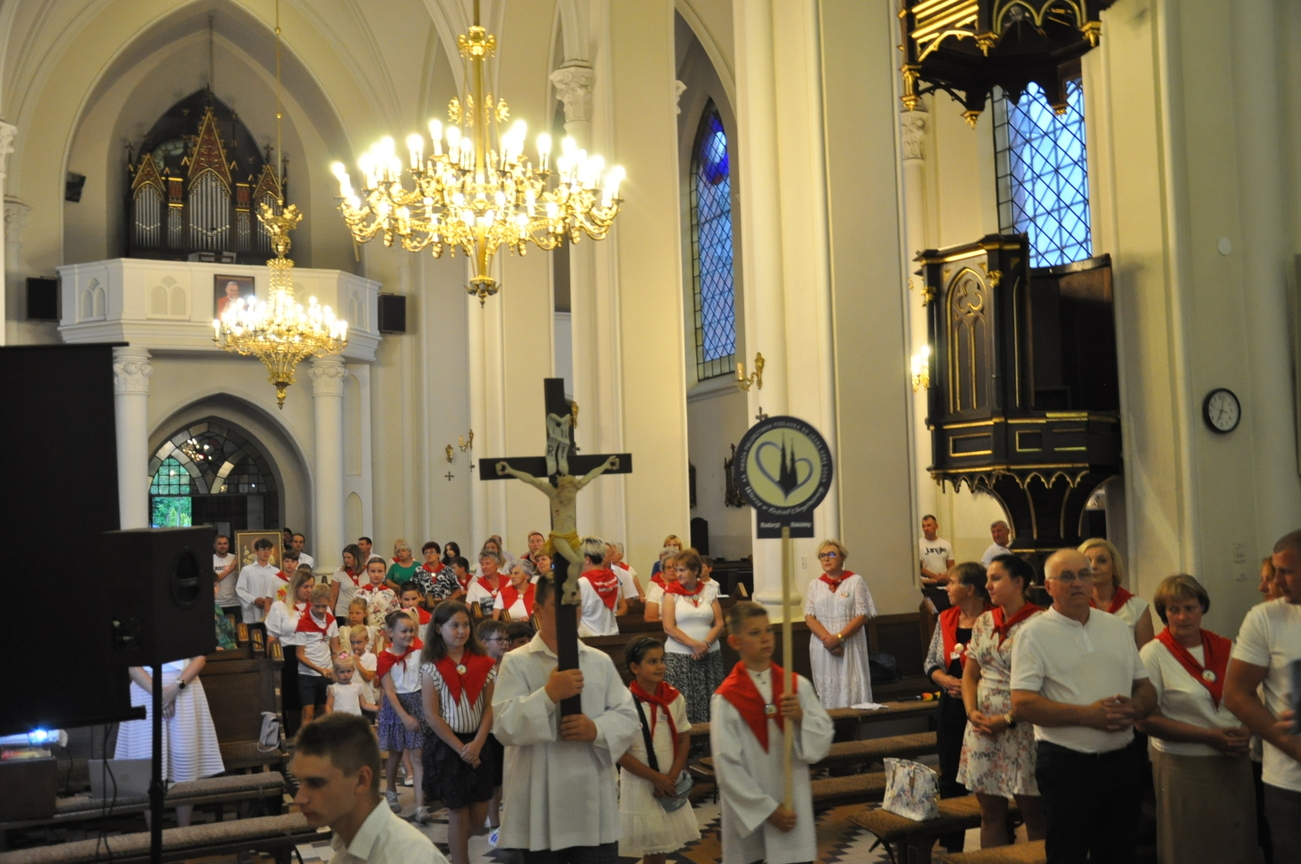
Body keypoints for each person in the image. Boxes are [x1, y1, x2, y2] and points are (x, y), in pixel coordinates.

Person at [1010, 548, 1157, 864]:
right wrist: (1087, 715)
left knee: (1120, 853)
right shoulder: (1033, 634)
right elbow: (1022, 704)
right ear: (1049, 586)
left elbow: (1145, 688)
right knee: (1068, 854)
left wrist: (1135, 708)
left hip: (1123, 760)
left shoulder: (1115, 626)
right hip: (1068, 764)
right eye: (1067, 576)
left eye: (1083, 575)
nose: (1077, 583)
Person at [491, 573, 641, 863]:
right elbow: (504, 727)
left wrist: (596, 729)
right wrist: (549, 694)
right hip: (540, 800)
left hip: (591, 798)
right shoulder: (517, 662)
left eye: (576, 604)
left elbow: (628, 715)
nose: (571, 613)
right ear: (537, 610)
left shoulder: (598, 660)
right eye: (560, 605)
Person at [1138, 574, 1256, 864]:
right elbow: (1145, 720)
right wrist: (1210, 737)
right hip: (1182, 765)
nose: (1183, 617)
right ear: (1164, 613)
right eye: (1174, 609)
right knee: (1189, 847)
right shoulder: (1153, 653)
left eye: (1190, 608)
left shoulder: (1226, 647)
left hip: (1233, 760)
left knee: (1235, 844)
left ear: (1202, 608)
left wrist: (1247, 730)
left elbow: (1250, 697)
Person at [711, 601, 833, 864]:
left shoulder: (796, 686)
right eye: (754, 633)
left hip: (792, 803)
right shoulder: (726, 699)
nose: (765, 638)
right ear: (735, 641)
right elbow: (725, 764)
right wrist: (767, 811)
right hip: (750, 815)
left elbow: (822, 740)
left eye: (769, 630)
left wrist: (800, 718)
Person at [957, 554, 1045, 849]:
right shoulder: (984, 621)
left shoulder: (1041, 622)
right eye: (988, 579)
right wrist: (971, 711)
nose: (988, 586)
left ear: (1018, 582)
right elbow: (970, 674)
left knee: (1034, 814)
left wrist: (1007, 719)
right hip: (983, 728)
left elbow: (1047, 684)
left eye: (996, 579)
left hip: (1024, 726)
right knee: (990, 813)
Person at [1225, 529, 1301, 862]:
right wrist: (1292, 746)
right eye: (1276, 571)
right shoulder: (1266, 618)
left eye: (1287, 571)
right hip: (1290, 783)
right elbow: (1236, 694)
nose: (1277, 581)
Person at [291, 713, 448, 864]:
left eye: (315, 782)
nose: (299, 798)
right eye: (300, 782)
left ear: (361, 780)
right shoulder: (345, 850)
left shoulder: (411, 858)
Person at [924, 562, 992, 853]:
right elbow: (931, 663)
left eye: (951, 583)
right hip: (951, 708)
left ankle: (999, 839)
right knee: (950, 776)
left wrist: (969, 685)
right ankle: (953, 846)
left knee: (987, 776)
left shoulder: (993, 618)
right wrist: (944, 680)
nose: (947, 588)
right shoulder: (945, 618)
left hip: (984, 706)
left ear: (970, 588)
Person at [419, 600, 497, 850]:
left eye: (466, 625)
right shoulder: (432, 668)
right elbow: (432, 716)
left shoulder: (484, 664)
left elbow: (489, 707)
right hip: (449, 746)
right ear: (439, 629)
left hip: (478, 741)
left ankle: (455, 848)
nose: (461, 631)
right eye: (454, 625)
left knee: (479, 812)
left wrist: (477, 744)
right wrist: (461, 749)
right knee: (458, 811)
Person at [618, 636, 700, 864]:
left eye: (662, 660)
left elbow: (683, 739)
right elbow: (620, 752)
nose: (660, 666)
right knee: (653, 847)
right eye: (652, 661)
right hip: (641, 781)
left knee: (660, 848)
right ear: (635, 667)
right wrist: (657, 778)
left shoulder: (674, 698)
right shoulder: (623, 703)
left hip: (668, 779)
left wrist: (671, 777)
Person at [116, 656, 225, 826]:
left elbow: (200, 658)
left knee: (185, 763)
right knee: (147, 765)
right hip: (144, 689)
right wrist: (160, 694)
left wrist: (174, 689)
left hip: (185, 687)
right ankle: (153, 833)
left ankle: (183, 833)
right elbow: (131, 663)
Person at [803, 539, 877, 709]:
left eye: (831, 554)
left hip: (849, 645)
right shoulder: (815, 585)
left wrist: (838, 638)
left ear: (842, 558)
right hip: (823, 648)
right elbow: (809, 617)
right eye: (822, 555)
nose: (826, 558)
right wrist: (829, 641)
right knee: (829, 695)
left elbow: (862, 614)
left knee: (853, 691)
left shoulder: (855, 581)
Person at [660, 550, 724, 724]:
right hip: (680, 657)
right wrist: (694, 645)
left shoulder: (709, 590)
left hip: (709, 654)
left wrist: (705, 644)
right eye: (676, 570)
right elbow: (668, 627)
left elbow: (719, 623)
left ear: (695, 571)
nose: (678, 574)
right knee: (684, 703)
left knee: (711, 702)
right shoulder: (671, 593)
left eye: (682, 570)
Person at [376, 610, 425, 815]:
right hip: (395, 707)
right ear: (390, 632)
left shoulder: (419, 653)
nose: (408, 635)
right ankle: (390, 791)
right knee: (395, 754)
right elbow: (389, 691)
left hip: (416, 702)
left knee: (417, 756)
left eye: (411, 631)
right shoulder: (385, 657)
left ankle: (420, 804)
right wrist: (404, 717)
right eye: (404, 631)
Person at [1079, 537, 1155, 647]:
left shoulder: (1137, 607)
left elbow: (1144, 654)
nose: (1093, 566)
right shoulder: (1073, 606)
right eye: (1088, 561)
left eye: (1102, 561)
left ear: (1114, 567)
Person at [265, 569, 315, 734]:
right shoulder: (280, 607)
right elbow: (272, 638)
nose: (309, 590)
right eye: (305, 587)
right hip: (288, 655)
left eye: (311, 587)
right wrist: (271, 662)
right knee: (291, 694)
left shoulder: (316, 607)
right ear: (295, 586)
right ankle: (291, 731)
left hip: (312, 653)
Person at [477, 619, 511, 835]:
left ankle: (503, 820)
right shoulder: (480, 668)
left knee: (504, 778)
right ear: (484, 643)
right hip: (488, 730)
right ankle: (494, 825)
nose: (505, 643)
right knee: (492, 780)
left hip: (506, 726)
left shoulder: (509, 665)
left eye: (507, 639)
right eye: (499, 639)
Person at [296, 584, 342, 726]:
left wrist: (344, 659)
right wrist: (319, 669)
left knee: (325, 710)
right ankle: (305, 740)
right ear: (310, 602)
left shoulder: (331, 621)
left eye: (324, 606)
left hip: (327, 672)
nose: (321, 610)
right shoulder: (303, 623)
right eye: (317, 606)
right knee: (308, 712)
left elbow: (335, 648)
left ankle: (323, 739)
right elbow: (300, 655)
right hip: (307, 674)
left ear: (329, 602)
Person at [578, 537, 627, 637]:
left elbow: (573, 615)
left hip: (589, 640)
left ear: (587, 559)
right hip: (612, 637)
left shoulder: (582, 583)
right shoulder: (614, 579)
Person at [236, 537, 279, 623]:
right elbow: (240, 590)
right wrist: (254, 600)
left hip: (270, 611)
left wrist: (268, 602)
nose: (266, 552)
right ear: (256, 552)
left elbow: (278, 591)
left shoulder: (276, 571)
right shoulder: (247, 570)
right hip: (252, 611)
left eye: (268, 550)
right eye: (262, 549)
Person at [346, 625, 380, 722]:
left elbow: (368, 677)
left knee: (368, 727)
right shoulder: (347, 656)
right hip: (351, 702)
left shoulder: (371, 657)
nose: (355, 646)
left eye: (359, 642)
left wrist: (357, 663)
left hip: (367, 700)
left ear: (367, 641)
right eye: (352, 642)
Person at [359, 558, 399, 630]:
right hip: (364, 632)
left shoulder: (390, 593)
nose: (376, 575)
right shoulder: (360, 593)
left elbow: (396, 615)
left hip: (385, 632)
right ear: (367, 572)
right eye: (373, 571)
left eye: (380, 571)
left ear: (385, 572)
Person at [642, 549, 678, 623]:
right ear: (663, 571)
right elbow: (649, 618)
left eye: (675, 567)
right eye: (668, 567)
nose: (672, 570)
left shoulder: (688, 587)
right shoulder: (656, 590)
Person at [919, 515, 956, 587]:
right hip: (926, 583)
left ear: (936, 526)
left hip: (944, 583)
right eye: (923, 526)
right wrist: (936, 577)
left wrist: (945, 577)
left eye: (929, 525)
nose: (926, 528)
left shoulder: (946, 544)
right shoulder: (918, 545)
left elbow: (951, 566)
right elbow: (919, 568)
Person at [607, 542, 645, 612]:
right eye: (609, 553)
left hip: (628, 603)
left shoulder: (628, 570)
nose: (610, 555)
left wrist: (641, 596)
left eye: (613, 552)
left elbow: (639, 590)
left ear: (620, 555)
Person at [332, 544, 365, 619]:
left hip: (361, 613)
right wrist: (329, 613)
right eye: (344, 557)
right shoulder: (339, 572)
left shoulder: (367, 571)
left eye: (348, 557)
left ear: (356, 558)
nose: (346, 560)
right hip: (343, 612)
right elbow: (333, 595)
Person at [467, 552, 503, 617]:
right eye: (482, 564)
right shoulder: (475, 586)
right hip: (484, 621)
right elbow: (467, 609)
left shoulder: (509, 583)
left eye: (487, 563)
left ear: (497, 565)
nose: (484, 567)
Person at [214, 534, 239, 618]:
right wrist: (230, 569)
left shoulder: (235, 559)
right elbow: (214, 579)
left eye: (225, 543)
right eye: (219, 543)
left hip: (234, 602)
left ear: (228, 545)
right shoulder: (210, 560)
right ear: (214, 546)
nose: (222, 546)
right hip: (216, 603)